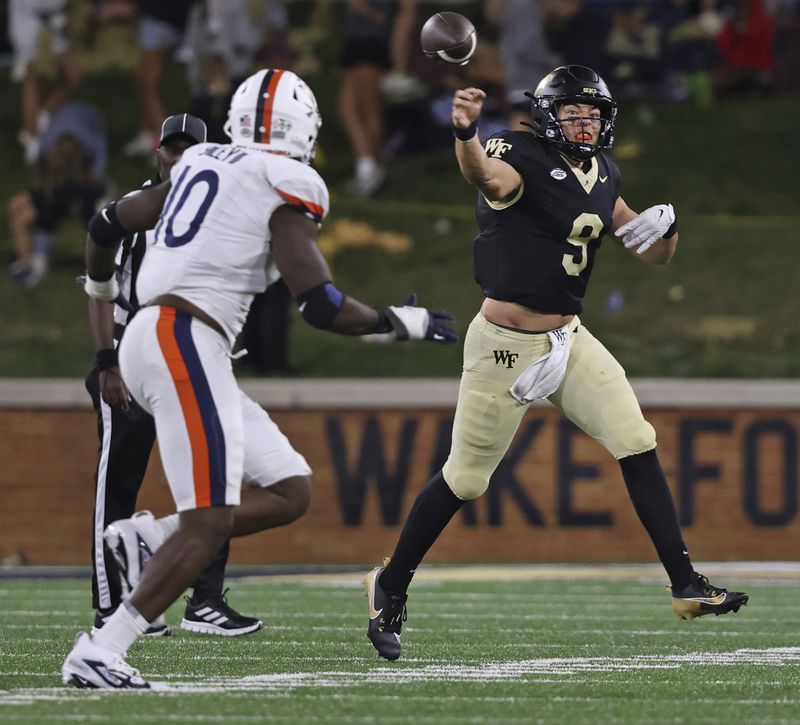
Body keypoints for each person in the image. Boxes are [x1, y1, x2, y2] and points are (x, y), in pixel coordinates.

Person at [62, 67, 458, 689]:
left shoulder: (197, 162)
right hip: (185, 338)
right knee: (210, 522)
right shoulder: (287, 178)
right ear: (303, 128)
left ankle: (148, 539)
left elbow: (106, 225)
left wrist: (103, 299)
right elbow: (319, 303)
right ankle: (101, 649)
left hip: (160, 337)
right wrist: (399, 321)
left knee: (290, 488)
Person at [363, 64, 749, 662]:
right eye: (573, 113)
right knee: (466, 479)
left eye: (593, 114)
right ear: (548, 116)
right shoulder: (516, 151)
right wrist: (464, 132)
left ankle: (686, 586)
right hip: (504, 344)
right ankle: (390, 584)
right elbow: (486, 178)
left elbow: (648, 253)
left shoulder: (603, 171)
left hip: (567, 338)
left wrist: (666, 230)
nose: (585, 123)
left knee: (636, 439)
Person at [86, 112, 263, 639]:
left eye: (192, 147)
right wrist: (106, 360)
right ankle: (110, 606)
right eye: (173, 147)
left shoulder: (220, 212)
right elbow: (98, 285)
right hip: (132, 358)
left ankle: (204, 599)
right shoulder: (136, 209)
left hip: (189, 357)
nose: (181, 156)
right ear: (157, 153)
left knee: (218, 472)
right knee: (119, 481)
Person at [7, 101, 107, 286]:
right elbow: (43, 186)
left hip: (79, 191)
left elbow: (97, 177)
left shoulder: (89, 155)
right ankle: (29, 261)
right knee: (16, 207)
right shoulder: (47, 150)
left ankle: (40, 259)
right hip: (58, 191)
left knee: (92, 223)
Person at [337, 0, 417, 197]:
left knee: (368, 109)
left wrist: (398, 62)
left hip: (371, 41)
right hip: (358, 40)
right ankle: (367, 166)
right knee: (347, 109)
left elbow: (406, 14)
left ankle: (373, 171)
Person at [9, 0, 82, 163]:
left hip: (54, 24)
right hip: (29, 22)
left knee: (74, 76)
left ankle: (41, 118)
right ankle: (32, 140)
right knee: (33, 79)